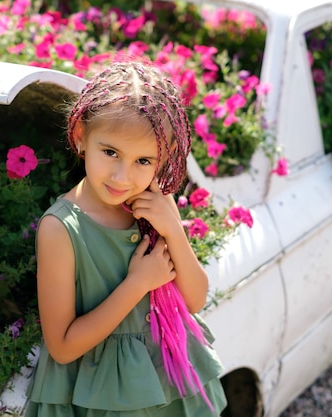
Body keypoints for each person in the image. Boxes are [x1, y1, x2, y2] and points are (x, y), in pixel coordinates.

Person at [25, 60, 227, 417]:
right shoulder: (62, 228)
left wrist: (174, 230)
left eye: (143, 161)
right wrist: (137, 283)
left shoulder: (155, 207)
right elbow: (63, 346)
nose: (123, 176)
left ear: (161, 160)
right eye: (110, 153)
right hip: (104, 397)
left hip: (166, 380)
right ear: (80, 137)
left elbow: (193, 300)